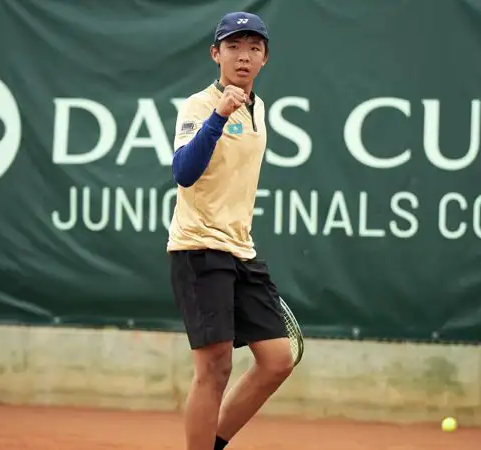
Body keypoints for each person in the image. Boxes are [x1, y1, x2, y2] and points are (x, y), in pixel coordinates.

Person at [167, 11, 294, 450]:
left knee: (278, 360)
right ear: (215, 54)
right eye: (234, 47)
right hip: (199, 247)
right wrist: (218, 117)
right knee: (215, 367)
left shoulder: (261, 109)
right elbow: (184, 173)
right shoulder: (200, 105)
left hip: (241, 249)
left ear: (265, 59)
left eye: (253, 48)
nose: (244, 56)